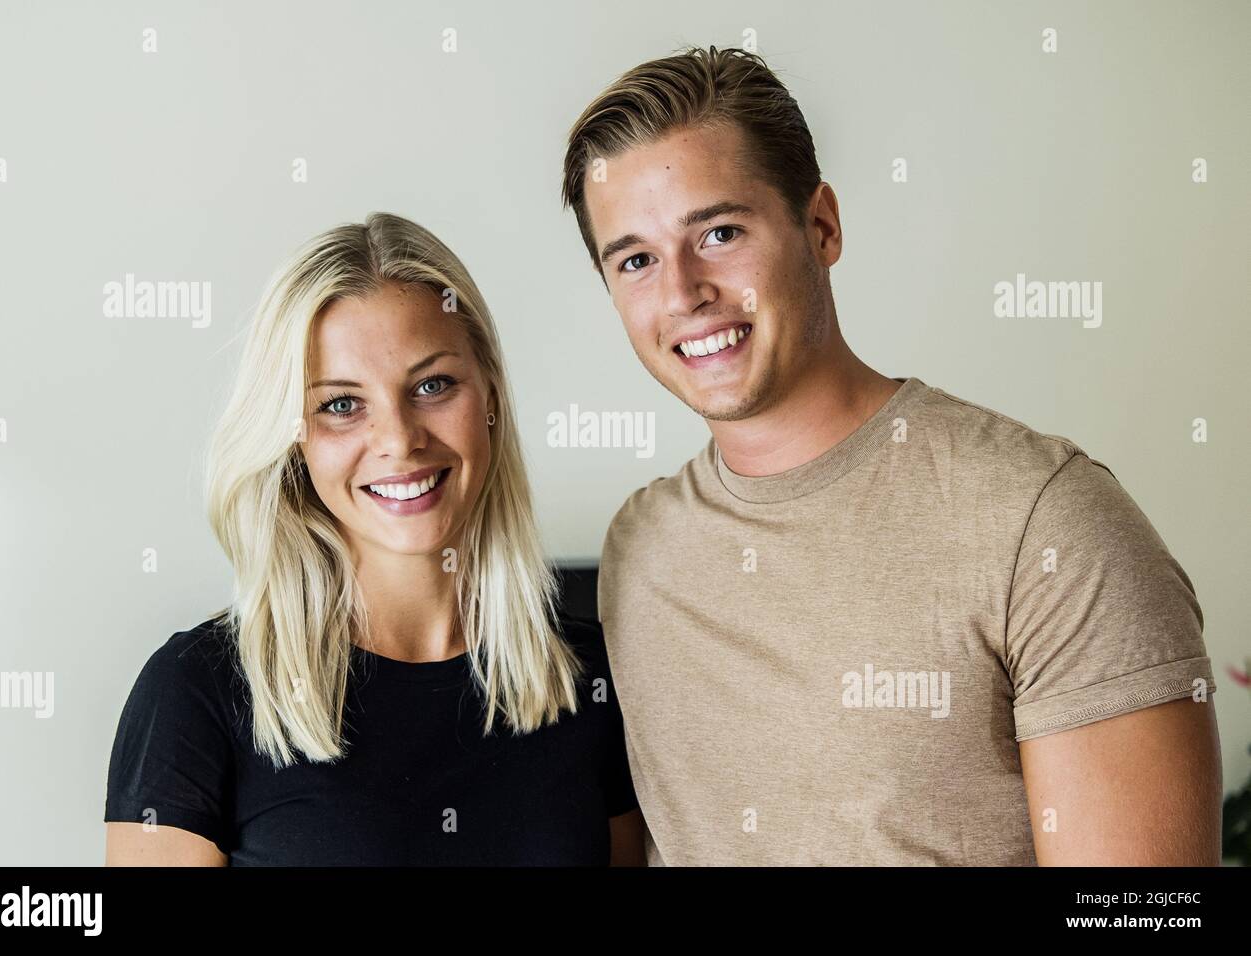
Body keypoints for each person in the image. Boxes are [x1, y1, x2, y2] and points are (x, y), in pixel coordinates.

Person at [560, 45, 1222, 865]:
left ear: (822, 225)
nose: (684, 292)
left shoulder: (1044, 522)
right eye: (636, 261)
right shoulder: (641, 550)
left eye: (721, 232)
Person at [104, 213, 646, 865]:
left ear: (490, 398)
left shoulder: (590, 678)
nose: (398, 438)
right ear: (292, 438)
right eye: (340, 404)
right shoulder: (196, 693)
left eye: (432, 385)